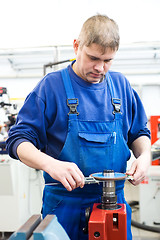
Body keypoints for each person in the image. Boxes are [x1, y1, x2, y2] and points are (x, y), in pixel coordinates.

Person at [6, 14, 151, 240]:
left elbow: (139, 133)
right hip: (65, 207)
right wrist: (51, 164)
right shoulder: (50, 87)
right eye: (93, 58)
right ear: (76, 46)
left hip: (115, 207)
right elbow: (17, 140)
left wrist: (144, 156)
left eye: (108, 60)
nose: (100, 68)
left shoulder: (121, 85)